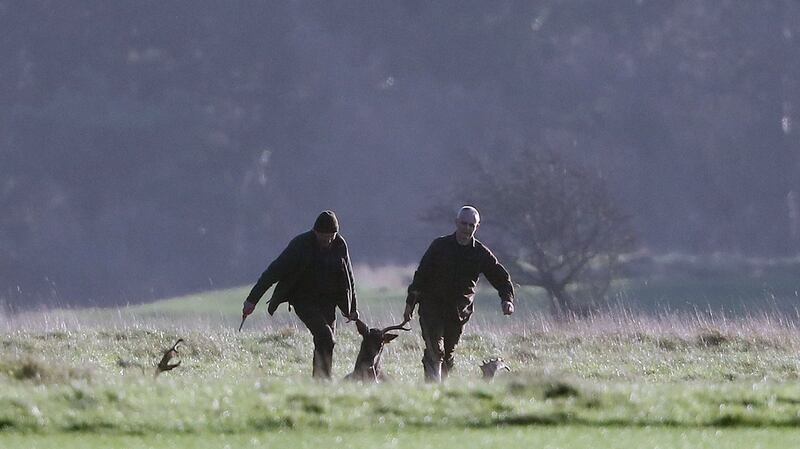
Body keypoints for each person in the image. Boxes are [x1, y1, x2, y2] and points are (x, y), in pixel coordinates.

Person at [242, 210, 359, 379]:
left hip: (329, 301)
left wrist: (352, 307)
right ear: (315, 232)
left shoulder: (340, 244)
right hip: (304, 300)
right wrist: (252, 300)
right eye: (323, 237)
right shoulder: (300, 245)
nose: (327, 241)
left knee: (326, 341)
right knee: (325, 336)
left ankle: (321, 382)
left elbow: (349, 276)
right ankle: (322, 380)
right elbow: (273, 272)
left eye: (331, 237)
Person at [403, 205, 514, 382]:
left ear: (477, 227)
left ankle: (443, 388)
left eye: (472, 225)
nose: (467, 228)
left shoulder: (480, 253)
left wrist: (506, 300)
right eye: (464, 224)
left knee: (447, 354)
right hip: (432, 308)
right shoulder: (439, 246)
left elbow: (500, 277)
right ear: (456, 223)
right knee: (435, 350)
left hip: (458, 313)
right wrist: (410, 303)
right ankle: (433, 389)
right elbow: (421, 275)